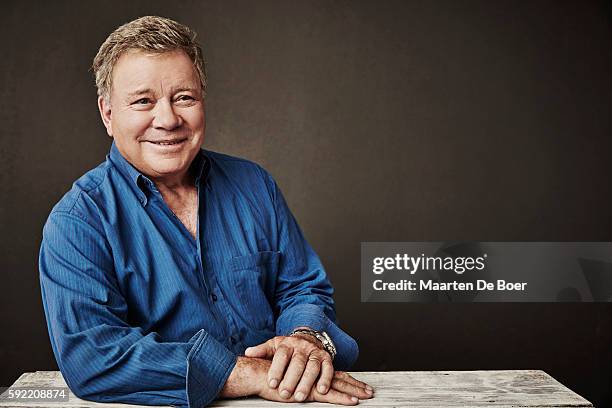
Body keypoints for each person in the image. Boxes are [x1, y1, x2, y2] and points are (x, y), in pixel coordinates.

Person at [39, 15, 373, 408]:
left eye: (184, 97)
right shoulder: (78, 221)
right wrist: (241, 372)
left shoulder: (254, 184)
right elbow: (92, 357)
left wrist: (305, 340)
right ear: (108, 114)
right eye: (143, 101)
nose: (168, 119)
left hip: (290, 397)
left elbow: (302, 287)